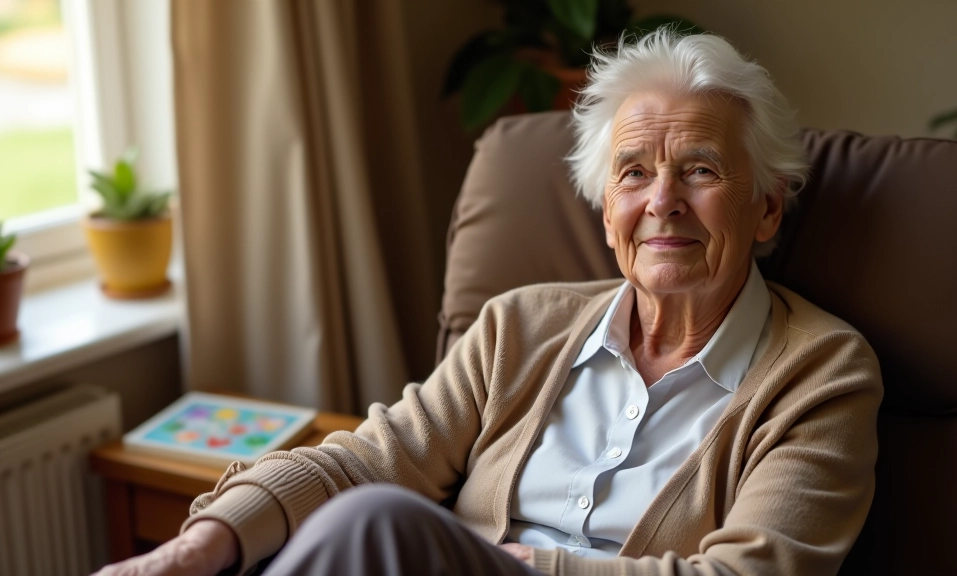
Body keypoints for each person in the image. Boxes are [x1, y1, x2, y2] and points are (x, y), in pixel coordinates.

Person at [96, 29, 881, 576]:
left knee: (375, 524)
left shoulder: (819, 373)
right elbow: (373, 459)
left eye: (702, 170)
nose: (662, 202)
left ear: (768, 208)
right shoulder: (519, 326)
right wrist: (193, 548)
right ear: (605, 209)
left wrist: (510, 567)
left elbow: (757, 572)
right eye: (634, 173)